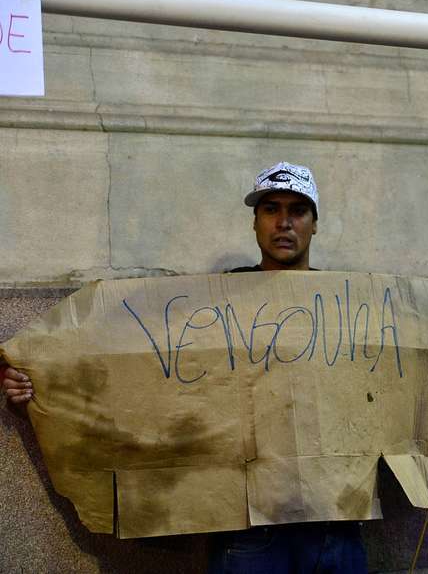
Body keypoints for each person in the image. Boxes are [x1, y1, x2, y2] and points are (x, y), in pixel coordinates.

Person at [2, 161, 368, 574]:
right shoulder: (211, 303)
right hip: (247, 525)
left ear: (315, 224)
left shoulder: (348, 305)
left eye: (297, 210)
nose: (284, 222)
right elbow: (130, 362)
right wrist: (37, 373)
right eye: (271, 209)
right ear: (255, 222)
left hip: (335, 523)